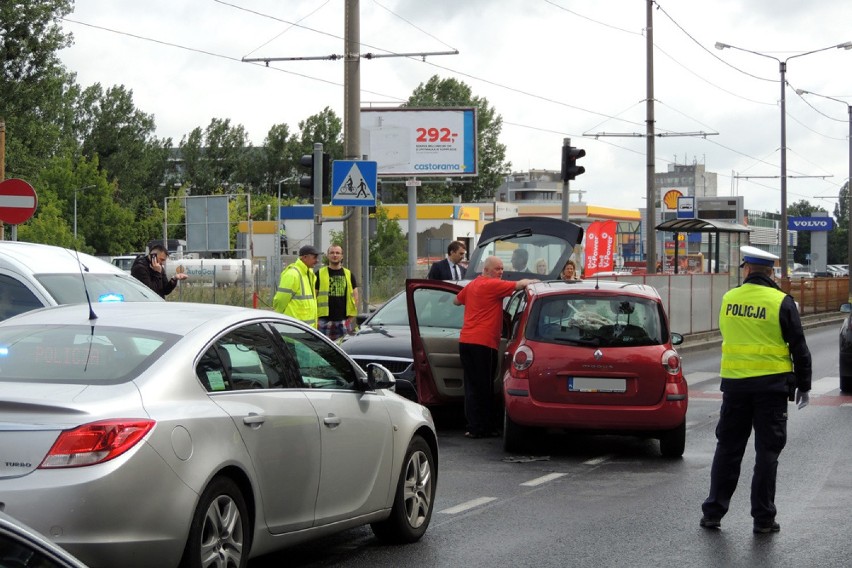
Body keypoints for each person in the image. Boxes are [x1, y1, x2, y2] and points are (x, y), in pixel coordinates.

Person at [700, 245, 812, 534]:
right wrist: (805, 385)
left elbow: (728, 333)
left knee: (727, 448)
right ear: (771, 271)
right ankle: (763, 518)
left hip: (735, 386)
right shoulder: (781, 302)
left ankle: (713, 512)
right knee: (767, 453)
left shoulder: (729, 299)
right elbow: (799, 347)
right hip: (771, 389)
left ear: (747, 269)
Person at [454, 256, 538, 438]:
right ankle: (483, 428)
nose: (501, 272)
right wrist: (534, 282)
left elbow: (456, 301)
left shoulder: (473, 285)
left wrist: (475, 303)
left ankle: (473, 426)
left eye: (502, 269)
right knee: (484, 386)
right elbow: (520, 284)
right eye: (498, 269)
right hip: (483, 343)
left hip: (466, 341)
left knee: (471, 386)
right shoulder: (492, 285)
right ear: (487, 270)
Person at [316, 244, 359, 340]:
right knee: (323, 352)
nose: (334, 255)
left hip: (343, 321)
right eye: (332, 253)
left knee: (344, 350)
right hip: (323, 321)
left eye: (337, 253)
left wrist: (350, 319)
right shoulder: (319, 273)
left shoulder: (348, 274)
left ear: (342, 256)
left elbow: (355, 297)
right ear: (327, 255)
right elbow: (314, 296)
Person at [273, 244, 320, 328]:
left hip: (306, 330)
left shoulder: (309, 274)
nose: (317, 260)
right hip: (294, 330)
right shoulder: (293, 274)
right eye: (315, 257)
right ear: (305, 257)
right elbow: (280, 301)